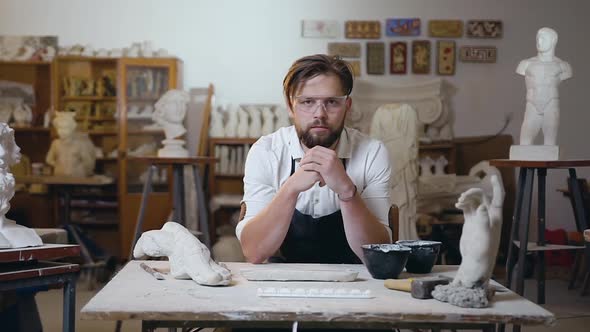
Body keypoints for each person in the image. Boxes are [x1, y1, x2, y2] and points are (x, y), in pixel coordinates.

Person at [237, 54, 392, 265]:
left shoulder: (372, 153)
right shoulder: (266, 151)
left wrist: (347, 192)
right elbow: (254, 252)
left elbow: (379, 255)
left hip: (357, 284)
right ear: (291, 106)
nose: (320, 114)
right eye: (307, 102)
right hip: (279, 285)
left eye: (332, 102)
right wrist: (290, 188)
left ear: (347, 106)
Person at [516, 27, 572, 146]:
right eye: (538, 38)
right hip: (532, 104)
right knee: (525, 141)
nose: (539, 42)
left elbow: (565, 75)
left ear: (553, 41)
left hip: (551, 104)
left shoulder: (563, 66)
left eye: (543, 38)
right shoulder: (526, 64)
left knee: (550, 142)